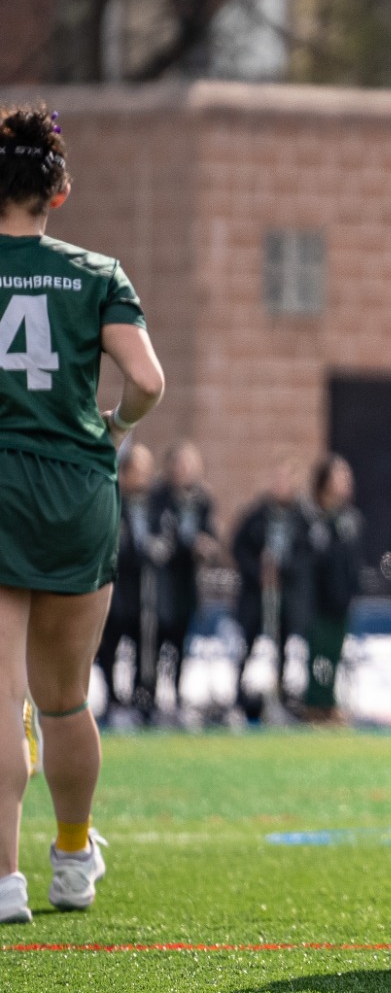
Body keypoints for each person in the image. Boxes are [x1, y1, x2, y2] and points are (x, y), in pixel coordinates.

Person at [0, 102, 167, 921]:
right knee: (63, 699)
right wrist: (118, 427)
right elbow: (147, 382)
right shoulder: (97, 272)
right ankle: (71, 857)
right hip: (73, 485)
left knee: (1, 699)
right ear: (56, 192)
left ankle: (3, 881)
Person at [141, 440, 218, 720]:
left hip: (188, 582)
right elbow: (162, 537)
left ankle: (175, 696)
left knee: (181, 640)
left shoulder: (202, 501)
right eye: (180, 463)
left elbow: (211, 535)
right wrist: (188, 544)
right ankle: (148, 697)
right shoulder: (159, 498)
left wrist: (208, 547)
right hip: (162, 583)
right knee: (156, 639)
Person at [229, 459, 306, 722]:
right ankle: (239, 701)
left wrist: (284, 571)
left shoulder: (301, 517)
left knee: (283, 648)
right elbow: (238, 548)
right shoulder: (256, 515)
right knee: (247, 645)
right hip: (255, 595)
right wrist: (257, 571)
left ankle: (282, 698)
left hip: (285, 596)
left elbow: (306, 555)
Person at [298, 455, 362, 721]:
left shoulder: (350, 519)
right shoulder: (311, 517)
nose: (346, 482)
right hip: (316, 598)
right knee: (318, 652)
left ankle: (328, 700)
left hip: (341, 597)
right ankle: (316, 702)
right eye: (340, 476)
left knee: (334, 651)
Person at [97, 443, 157, 723]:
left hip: (143, 593)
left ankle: (140, 698)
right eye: (138, 471)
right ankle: (111, 699)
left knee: (142, 648)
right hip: (113, 588)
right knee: (109, 647)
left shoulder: (154, 505)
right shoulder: (111, 500)